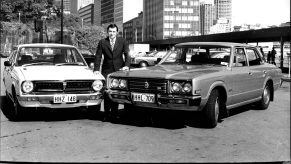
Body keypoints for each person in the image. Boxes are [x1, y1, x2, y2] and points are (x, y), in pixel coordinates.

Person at [93, 24, 131, 122]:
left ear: (117, 32)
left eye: (114, 31)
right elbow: (98, 56)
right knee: (107, 92)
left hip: (119, 70)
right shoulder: (102, 42)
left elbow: (127, 54)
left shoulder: (123, 41)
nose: (112, 33)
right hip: (106, 70)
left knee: (117, 92)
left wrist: (126, 66)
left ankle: (114, 114)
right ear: (107, 32)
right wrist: (96, 70)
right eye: (110, 31)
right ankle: (106, 114)